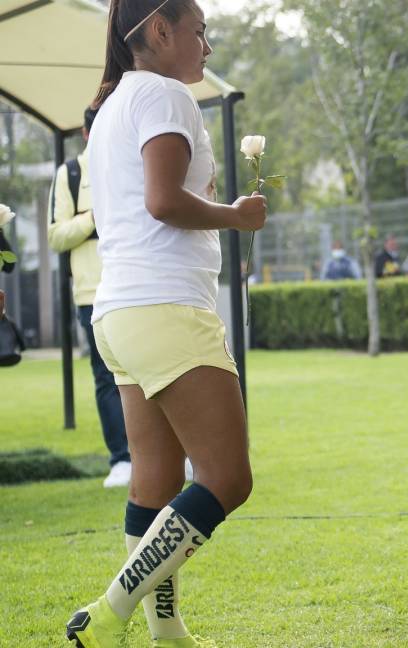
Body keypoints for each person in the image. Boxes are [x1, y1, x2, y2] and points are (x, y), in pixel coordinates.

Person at [65, 2, 267, 647]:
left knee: (155, 481)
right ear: (161, 30)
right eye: (200, 31)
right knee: (228, 477)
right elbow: (163, 201)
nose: (206, 48)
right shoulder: (164, 95)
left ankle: (167, 630)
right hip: (165, 308)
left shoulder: (114, 104)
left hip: (118, 313)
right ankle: (110, 612)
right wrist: (235, 215)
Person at [48, 106, 132, 488]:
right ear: (86, 132)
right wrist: (94, 218)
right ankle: (122, 459)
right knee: (106, 376)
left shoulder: (131, 162)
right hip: (91, 295)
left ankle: (165, 455)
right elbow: (56, 236)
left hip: (135, 287)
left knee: (150, 372)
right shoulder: (70, 175)